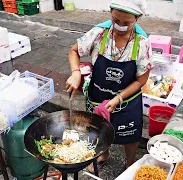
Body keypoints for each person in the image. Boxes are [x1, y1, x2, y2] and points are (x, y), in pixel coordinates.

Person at [66, 0, 152, 171]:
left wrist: (119, 97)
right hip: (98, 95)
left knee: (130, 135)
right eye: (115, 20)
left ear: (138, 18)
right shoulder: (99, 33)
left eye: (126, 23)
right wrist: (76, 72)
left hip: (127, 100)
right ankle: (104, 153)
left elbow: (141, 80)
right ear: (111, 13)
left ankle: (129, 163)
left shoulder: (142, 43)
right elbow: (74, 51)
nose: (120, 26)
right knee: (98, 128)